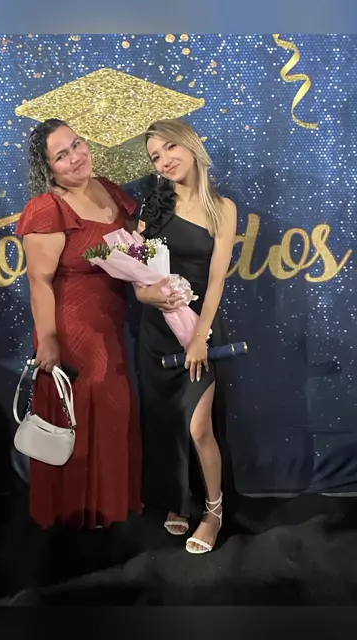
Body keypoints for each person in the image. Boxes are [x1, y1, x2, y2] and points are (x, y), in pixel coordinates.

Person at [15, 118, 142, 529]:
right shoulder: (48, 208)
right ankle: (74, 514)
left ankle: (106, 508)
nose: (75, 156)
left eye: (77, 144)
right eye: (61, 155)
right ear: (49, 169)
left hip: (110, 326)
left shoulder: (109, 189)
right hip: (71, 331)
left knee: (111, 413)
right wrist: (48, 340)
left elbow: (135, 249)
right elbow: (39, 280)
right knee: (79, 416)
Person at [134, 118, 237, 554]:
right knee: (165, 423)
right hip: (156, 333)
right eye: (155, 157)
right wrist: (148, 295)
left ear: (190, 145)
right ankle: (177, 501)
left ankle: (213, 511)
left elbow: (216, 281)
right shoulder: (152, 207)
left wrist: (200, 337)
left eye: (170, 148)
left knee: (198, 427)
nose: (165, 161)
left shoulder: (223, 209)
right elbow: (137, 277)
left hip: (200, 330)